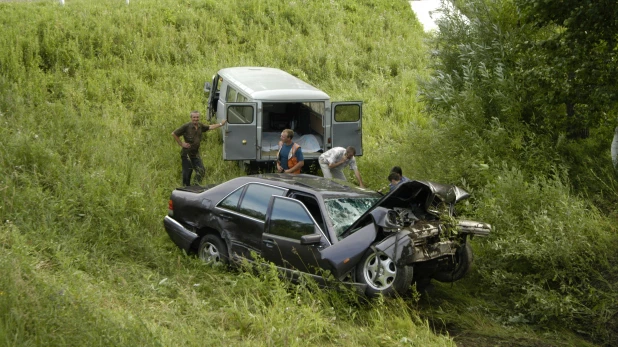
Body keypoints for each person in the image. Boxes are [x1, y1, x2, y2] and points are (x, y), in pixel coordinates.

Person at [172, 111, 226, 186]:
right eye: (194, 117)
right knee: (187, 174)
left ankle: (195, 186)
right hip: (187, 154)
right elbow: (174, 133)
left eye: (197, 117)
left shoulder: (200, 126)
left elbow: (210, 127)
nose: (196, 119)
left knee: (201, 170)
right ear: (191, 118)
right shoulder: (187, 126)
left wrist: (221, 124)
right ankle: (185, 189)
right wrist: (181, 143)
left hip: (195, 154)